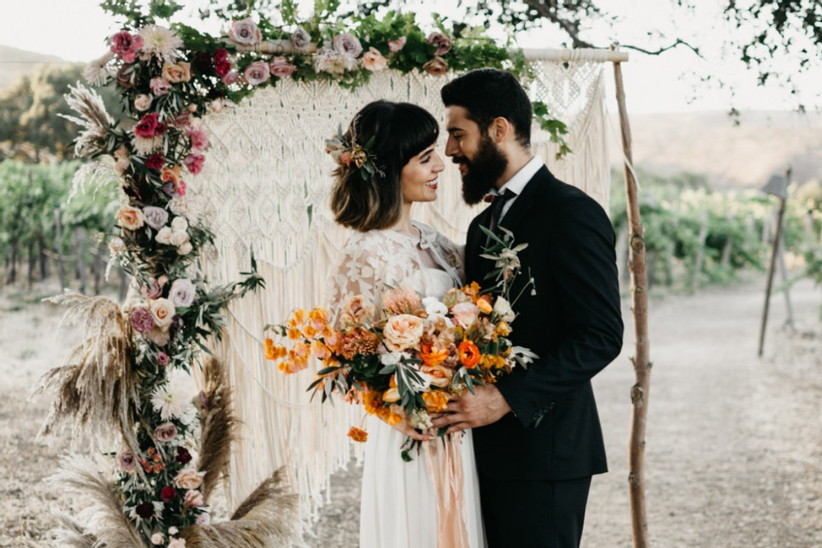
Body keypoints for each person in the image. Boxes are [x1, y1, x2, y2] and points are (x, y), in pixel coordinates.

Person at [431, 68, 624, 547]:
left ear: (499, 129)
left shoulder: (572, 212)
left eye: (458, 134)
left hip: (548, 453)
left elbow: (601, 335)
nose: (450, 150)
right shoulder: (480, 228)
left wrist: (505, 399)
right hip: (482, 453)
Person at [326, 100, 486, 548]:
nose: (441, 165)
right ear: (389, 170)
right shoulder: (362, 255)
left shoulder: (442, 246)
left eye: (437, 153)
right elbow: (342, 357)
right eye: (424, 158)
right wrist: (393, 411)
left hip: (458, 429)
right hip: (409, 432)